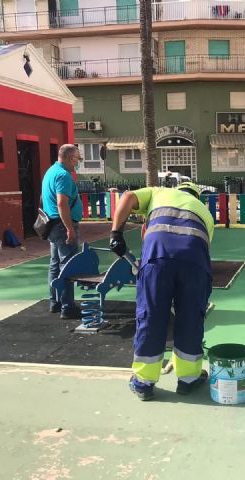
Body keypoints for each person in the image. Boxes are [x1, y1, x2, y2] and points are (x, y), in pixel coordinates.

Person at [109, 181, 214, 401]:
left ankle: (143, 383)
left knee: (151, 315)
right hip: (195, 263)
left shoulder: (160, 193)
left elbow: (127, 197)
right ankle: (188, 379)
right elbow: (201, 247)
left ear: (177, 189)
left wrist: (116, 234)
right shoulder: (204, 212)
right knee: (191, 318)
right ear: (196, 196)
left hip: (157, 257)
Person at [41, 144, 83, 319]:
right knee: (67, 265)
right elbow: (62, 203)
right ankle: (67, 306)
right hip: (62, 225)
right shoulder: (63, 175)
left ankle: (55, 302)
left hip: (52, 223)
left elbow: (44, 198)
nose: (78, 162)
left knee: (55, 264)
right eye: (77, 159)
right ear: (67, 158)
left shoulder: (50, 172)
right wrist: (69, 228)